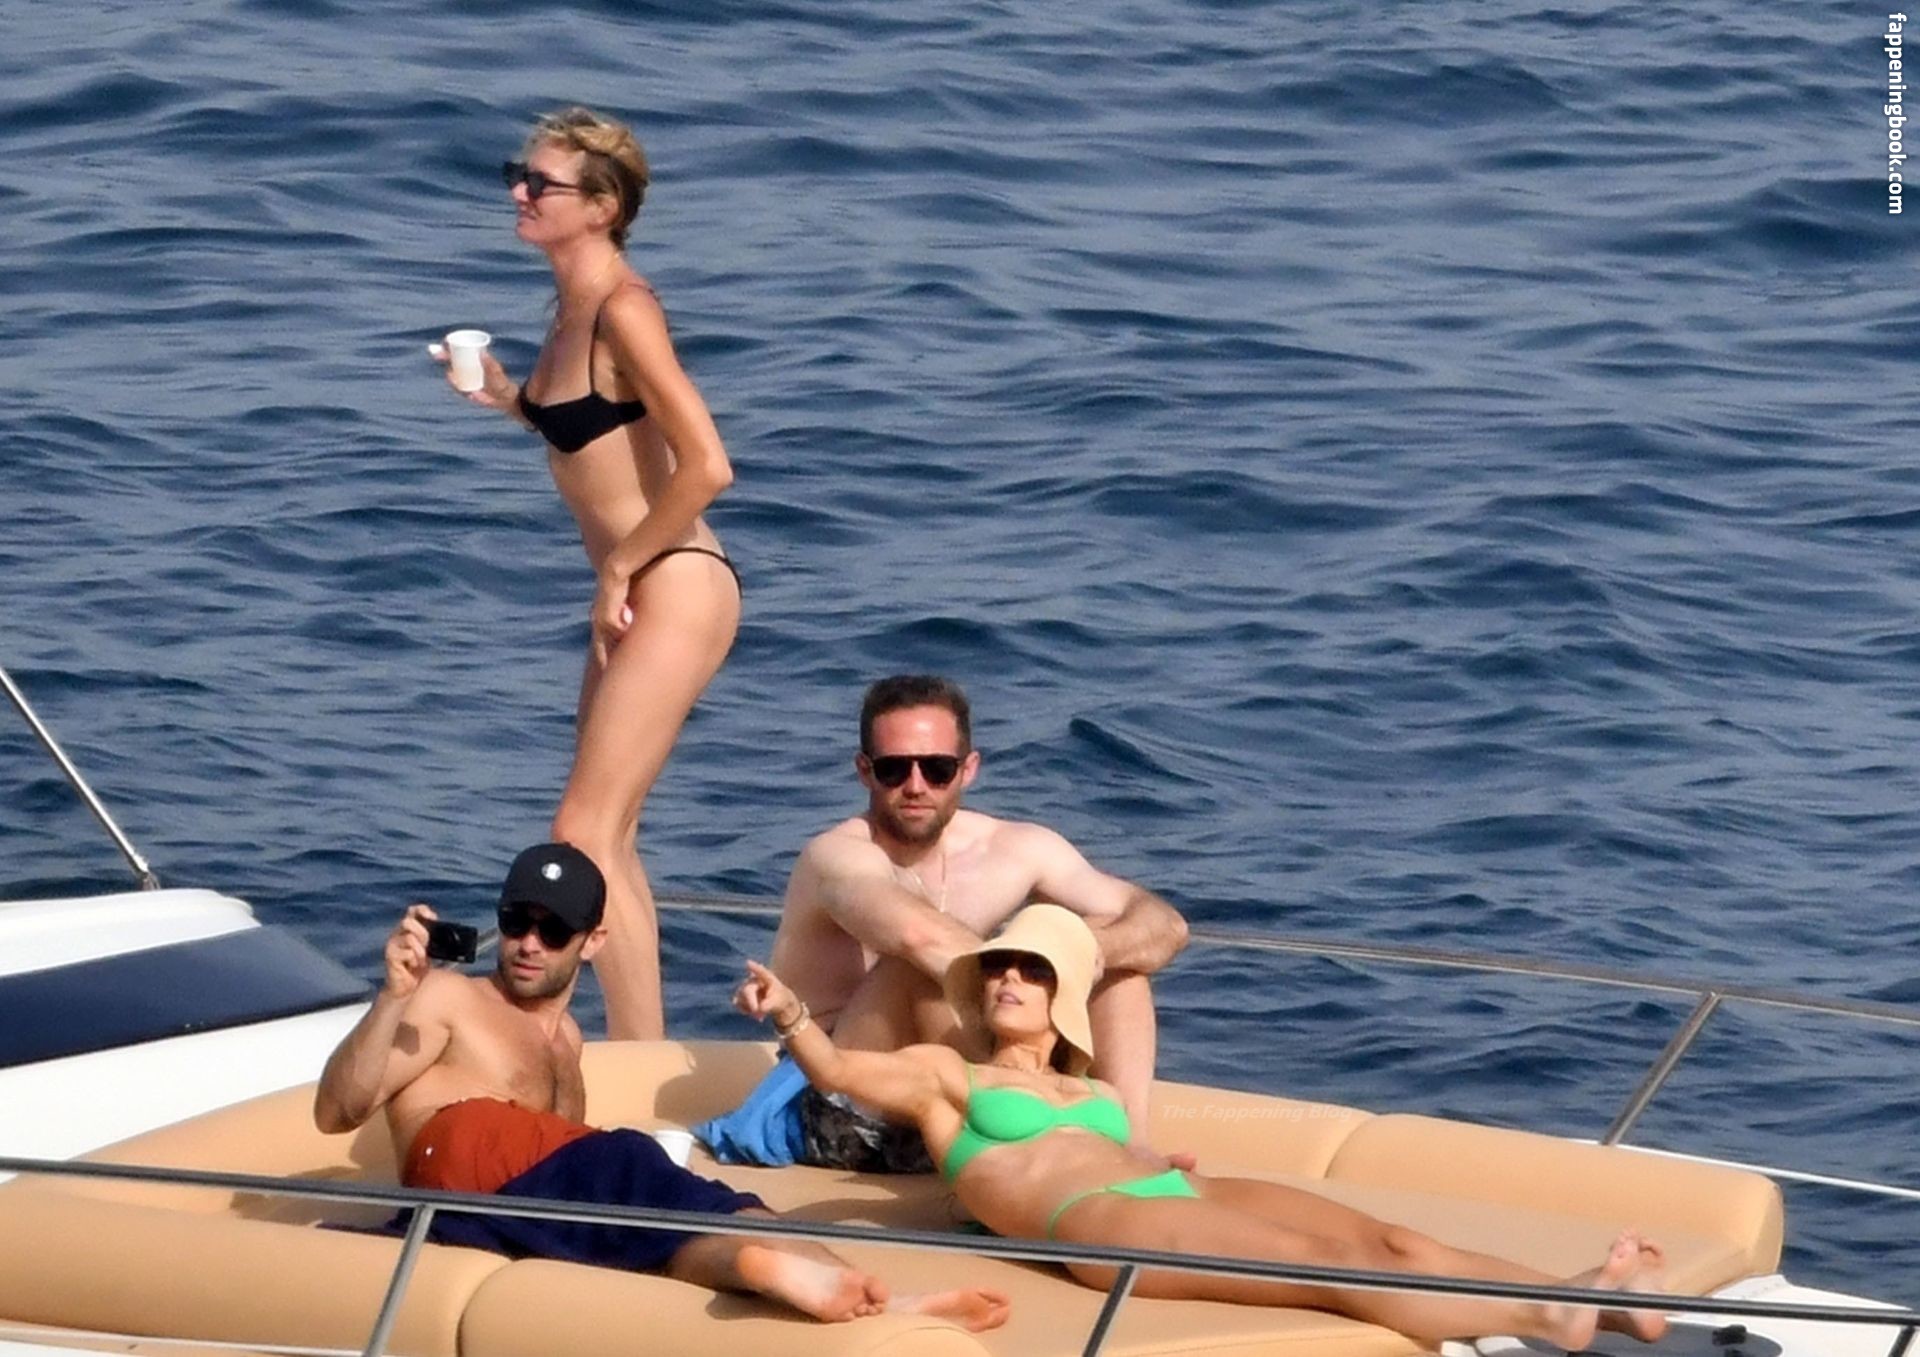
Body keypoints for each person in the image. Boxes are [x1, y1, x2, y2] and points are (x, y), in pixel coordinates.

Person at [734, 904, 1671, 1349]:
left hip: (1173, 1187)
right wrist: (791, 1015)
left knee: (1393, 1239)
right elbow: (843, 1072)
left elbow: (1119, 1143)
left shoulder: (1090, 1086)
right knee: (1330, 1269)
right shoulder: (951, 1078)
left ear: (1063, 994)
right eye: (998, 969)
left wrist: (1148, 1154)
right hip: (1101, 1223)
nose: (1009, 979)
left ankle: (1584, 1291)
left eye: (1032, 969)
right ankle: (1545, 1314)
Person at [313, 842, 1007, 1332]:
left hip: (509, 1195)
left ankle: (849, 1291)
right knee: (632, 1164)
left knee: (687, 1213)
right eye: (516, 922)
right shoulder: (448, 996)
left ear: (592, 941)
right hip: (462, 1148)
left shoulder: (567, 1041)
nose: (528, 943)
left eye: (553, 930)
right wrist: (392, 997)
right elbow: (336, 1111)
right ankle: (818, 1278)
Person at [432, 106, 739, 1040]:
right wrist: (509, 399)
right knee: (613, 835)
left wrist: (622, 569)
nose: (520, 194)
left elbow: (707, 466)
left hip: (675, 580)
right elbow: (590, 431)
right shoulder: (569, 307)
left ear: (602, 207)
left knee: (582, 830)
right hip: (638, 586)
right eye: (517, 175)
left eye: (541, 183)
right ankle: (641, 1049)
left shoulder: (623, 309)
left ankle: (635, 1060)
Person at [744, 674, 1185, 1169]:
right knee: (913, 969)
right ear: (865, 771)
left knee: (1123, 969)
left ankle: (1130, 1146)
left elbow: (1164, 926)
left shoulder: (1012, 847)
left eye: (937, 769)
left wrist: (1091, 953)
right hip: (846, 1106)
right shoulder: (838, 857)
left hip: (961, 1093)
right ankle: (1041, 1120)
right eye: (893, 769)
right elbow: (917, 935)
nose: (915, 786)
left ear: (968, 768)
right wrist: (1047, 969)